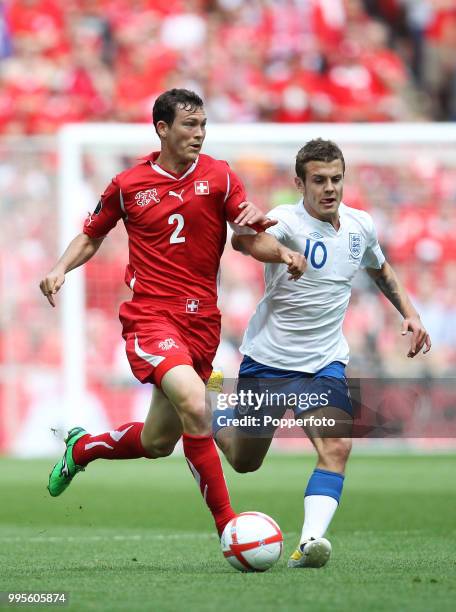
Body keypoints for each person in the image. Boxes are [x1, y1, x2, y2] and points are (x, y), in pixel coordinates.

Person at [39, 88, 305, 536]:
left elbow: (248, 233)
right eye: (189, 125)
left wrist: (280, 251)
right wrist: (60, 268)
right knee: (197, 407)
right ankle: (230, 529)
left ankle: (81, 449)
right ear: (162, 128)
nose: (199, 134)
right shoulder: (128, 185)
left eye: (202, 125)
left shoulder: (220, 176)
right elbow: (91, 235)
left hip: (202, 324)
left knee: (157, 441)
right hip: (152, 318)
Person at [213, 138, 431, 564]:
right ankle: (211, 409)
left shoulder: (359, 225)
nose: (329, 188)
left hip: (324, 363)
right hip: (269, 362)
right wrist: (282, 251)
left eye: (335, 179)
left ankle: (309, 543)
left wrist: (410, 313)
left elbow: (379, 267)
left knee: (337, 447)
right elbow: (244, 243)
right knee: (244, 461)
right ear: (300, 182)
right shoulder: (285, 220)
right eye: (318, 180)